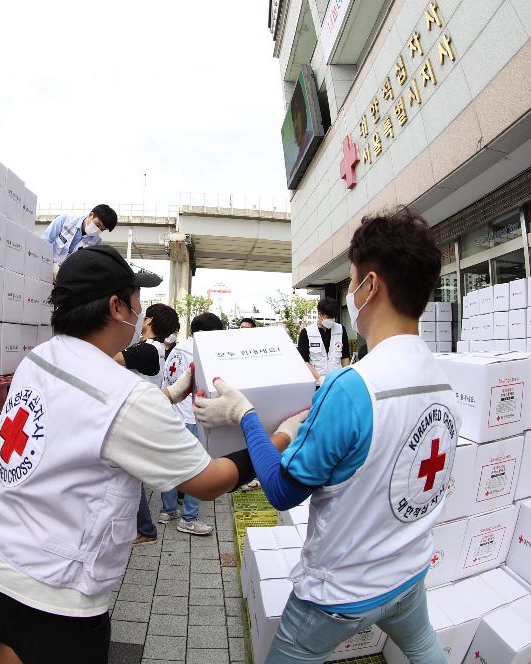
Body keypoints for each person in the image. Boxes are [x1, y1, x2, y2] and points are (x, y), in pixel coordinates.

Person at [0, 245, 300, 664]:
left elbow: (94, 419)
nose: (142, 311)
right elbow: (208, 481)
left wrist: (169, 395)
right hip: (49, 585)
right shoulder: (124, 396)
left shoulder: (40, 357)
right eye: (137, 298)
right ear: (116, 306)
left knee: (14, 644)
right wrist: (280, 437)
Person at [194, 207, 459, 663]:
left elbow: (279, 491)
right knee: (423, 648)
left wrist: (245, 414)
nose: (350, 293)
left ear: (370, 286)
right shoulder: (443, 381)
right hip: (408, 572)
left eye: (352, 281)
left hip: (339, 593)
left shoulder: (353, 388)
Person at [114, 302, 181, 544]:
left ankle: (145, 529)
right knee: (129, 476)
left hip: (134, 420)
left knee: (128, 477)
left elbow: (107, 356)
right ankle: (142, 528)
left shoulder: (147, 350)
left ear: (150, 321)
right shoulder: (155, 349)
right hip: (140, 419)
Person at [159, 312, 223, 536]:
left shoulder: (177, 348)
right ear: (207, 333)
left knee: (170, 466)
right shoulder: (200, 351)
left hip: (170, 414)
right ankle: (189, 518)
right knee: (197, 469)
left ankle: (167, 511)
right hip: (190, 418)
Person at [40, 204, 117, 267]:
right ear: (91, 215)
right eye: (98, 224)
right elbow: (45, 240)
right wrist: (46, 263)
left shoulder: (97, 242)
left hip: (67, 276)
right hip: (48, 263)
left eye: (102, 229)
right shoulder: (65, 220)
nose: (98, 229)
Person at [298, 297, 350, 387]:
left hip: (337, 381)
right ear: (320, 314)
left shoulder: (340, 329)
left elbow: (345, 356)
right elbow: (304, 361)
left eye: (333, 317)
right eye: (329, 317)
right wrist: (319, 379)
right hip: (317, 384)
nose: (332, 320)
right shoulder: (307, 332)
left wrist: (345, 377)